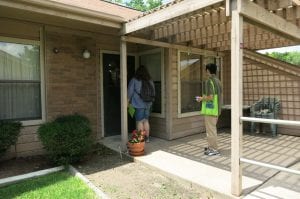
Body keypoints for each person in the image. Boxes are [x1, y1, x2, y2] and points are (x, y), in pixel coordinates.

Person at [196, 63, 222, 156]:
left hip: (210, 110)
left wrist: (201, 98)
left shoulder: (209, 81)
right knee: (212, 129)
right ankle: (211, 146)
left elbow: (210, 97)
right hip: (217, 110)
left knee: (210, 131)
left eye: (205, 70)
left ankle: (214, 149)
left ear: (207, 71)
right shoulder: (218, 81)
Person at [128, 65, 155, 143]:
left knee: (139, 121)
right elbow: (153, 92)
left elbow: (129, 93)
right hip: (148, 104)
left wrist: (127, 103)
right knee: (146, 120)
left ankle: (141, 138)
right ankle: (147, 138)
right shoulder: (150, 80)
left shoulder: (134, 80)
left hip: (138, 104)